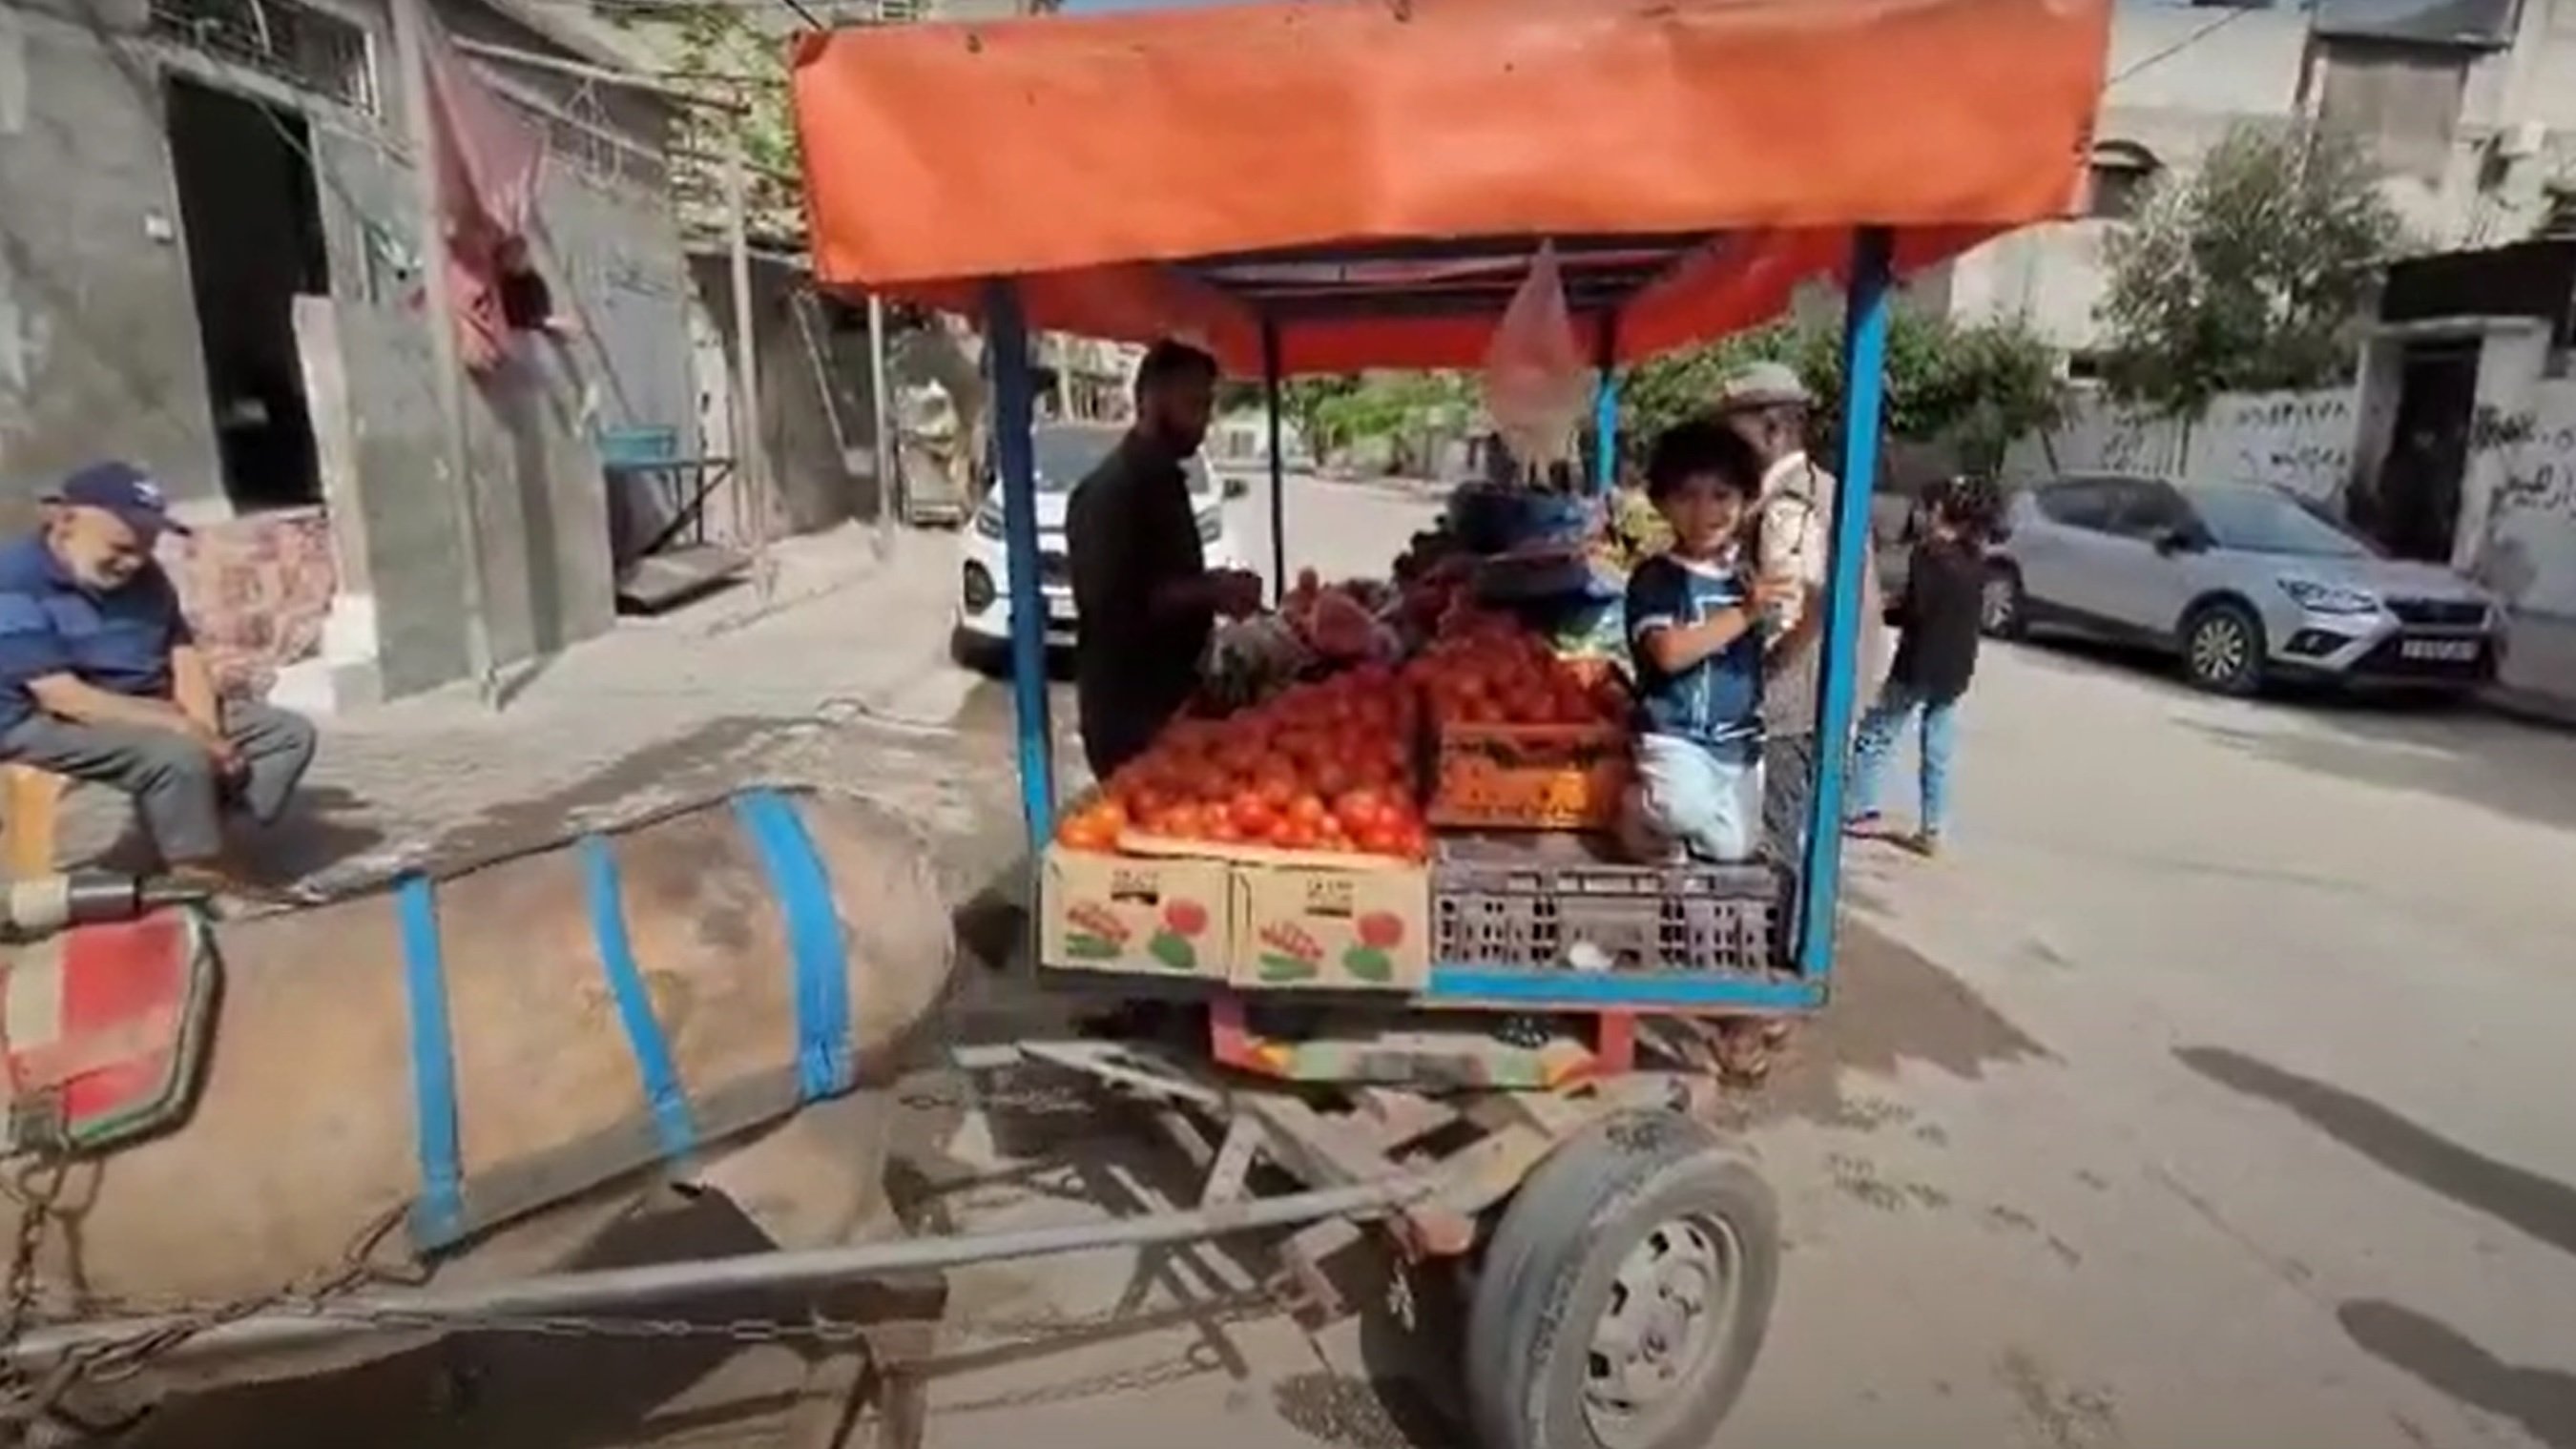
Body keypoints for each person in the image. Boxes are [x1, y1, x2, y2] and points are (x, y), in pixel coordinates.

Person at [0, 463, 318, 897]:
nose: (134, 561)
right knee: (175, 754)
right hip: (37, 717)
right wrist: (186, 730)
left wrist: (206, 728)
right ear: (65, 520)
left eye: (145, 548)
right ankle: (199, 875)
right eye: (122, 546)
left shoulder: (145, 576)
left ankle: (194, 838)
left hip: (138, 700)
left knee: (285, 736)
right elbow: (63, 697)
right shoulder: (12, 580)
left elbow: (182, 653)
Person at [1065, 340, 1265, 781]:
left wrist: (1214, 584)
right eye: (1193, 403)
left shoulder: (1165, 480)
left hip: (1172, 698)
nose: (1205, 420)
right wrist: (1210, 592)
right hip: (1131, 714)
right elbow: (1112, 604)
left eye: (1208, 405)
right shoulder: (1111, 492)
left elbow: (1165, 577)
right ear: (1149, 400)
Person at [1714, 362, 1889, 864]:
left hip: (1795, 707)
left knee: (1776, 847)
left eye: (1734, 435)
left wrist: (1757, 673)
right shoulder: (1825, 486)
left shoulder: (1789, 504)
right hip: (1827, 696)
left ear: (1773, 428)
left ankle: (1786, 942)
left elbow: (1795, 611)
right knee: (1805, 841)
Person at [1620, 420, 1797, 862]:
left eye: (1721, 496)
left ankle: (1675, 826)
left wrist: (1813, 617)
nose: (1704, 512)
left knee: (1733, 848)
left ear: (1745, 502)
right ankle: (1632, 807)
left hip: (1737, 744)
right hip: (1676, 736)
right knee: (1681, 809)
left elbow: (1764, 660)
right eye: (1687, 496)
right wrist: (1744, 613)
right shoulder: (1657, 578)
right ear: (1661, 503)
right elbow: (1669, 653)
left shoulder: (1746, 578)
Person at [1845, 476, 2000, 857]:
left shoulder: (1928, 554)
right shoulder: (1977, 560)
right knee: (1939, 746)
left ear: (1940, 512)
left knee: (1876, 733)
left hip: (1918, 662)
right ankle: (1933, 826)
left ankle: (1859, 809)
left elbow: (1918, 609)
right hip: (1955, 667)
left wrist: (1885, 607)